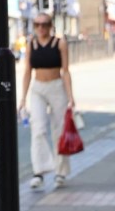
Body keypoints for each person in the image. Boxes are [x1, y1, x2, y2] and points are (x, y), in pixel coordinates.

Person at [18, 13, 76, 191]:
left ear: (50, 26)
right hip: (38, 89)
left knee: (59, 131)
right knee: (38, 129)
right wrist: (23, 98)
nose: (40, 28)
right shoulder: (31, 44)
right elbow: (27, 71)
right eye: (37, 25)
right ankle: (39, 171)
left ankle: (61, 172)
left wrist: (71, 96)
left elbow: (65, 70)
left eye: (44, 24)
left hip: (57, 87)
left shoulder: (60, 43)